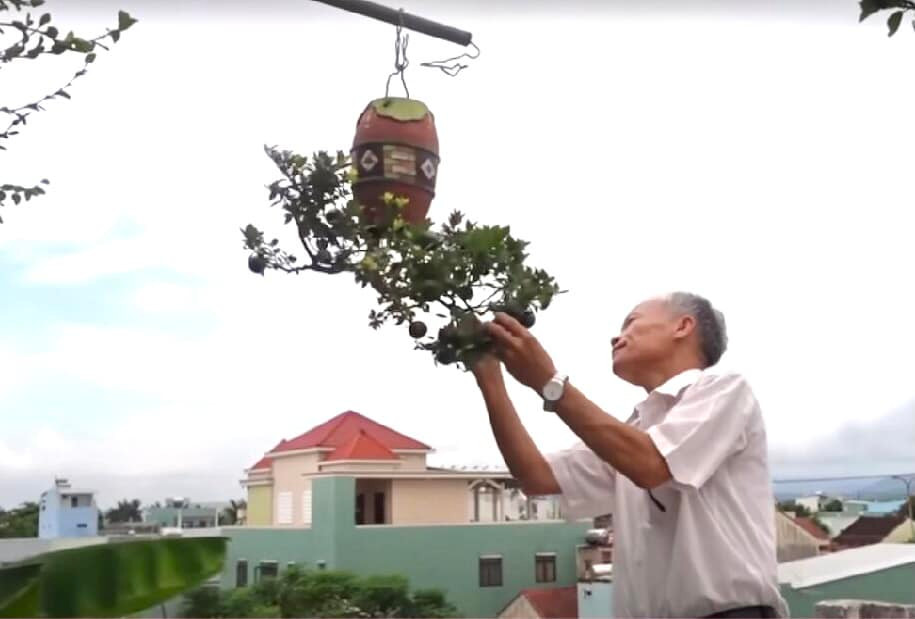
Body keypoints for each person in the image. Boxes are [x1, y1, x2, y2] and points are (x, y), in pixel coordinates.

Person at [471, 292, 788, 619]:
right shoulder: (632, 433)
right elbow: (537, 477)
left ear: (683, 326)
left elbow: (652, 465)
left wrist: (549, 383)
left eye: (632, 322)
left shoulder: (725, 391)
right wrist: (490, 379)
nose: (616, 336)